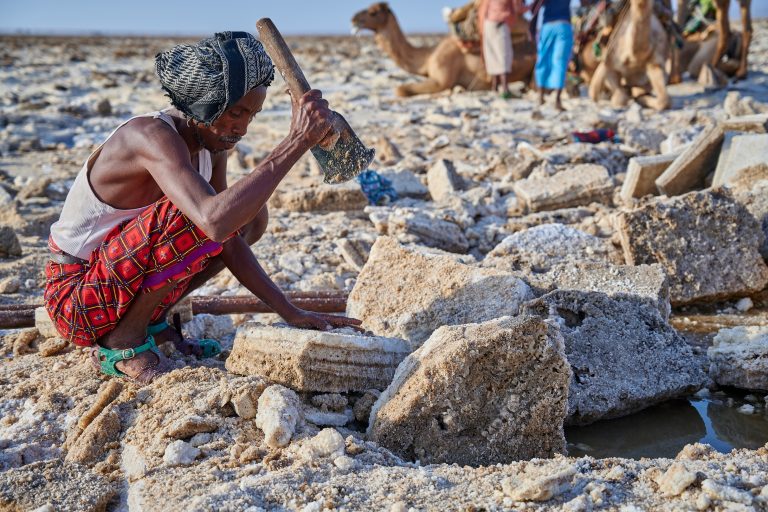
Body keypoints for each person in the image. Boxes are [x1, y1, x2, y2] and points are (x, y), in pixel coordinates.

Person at [44, 32, 362, 384]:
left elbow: (228, 236)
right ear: (203, 103)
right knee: (198, 213)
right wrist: (296, 141)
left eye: (251, 116)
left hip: (116, 287)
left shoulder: (212, 145)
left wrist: (288, 309)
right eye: (234, 113)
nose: (241, 128)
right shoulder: (150, 137)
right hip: (77, 300)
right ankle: (123, 338)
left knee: (249, 217)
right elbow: (212, 221)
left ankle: (150, 318)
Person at [531, 0, 574, 110]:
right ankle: (557, 100)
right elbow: (585, 2)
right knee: (560, 61)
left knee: (543, 59)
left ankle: (540, 95)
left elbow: (534, 9)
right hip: (563, 25)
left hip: (547, 26)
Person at [478, 0, 520, 98]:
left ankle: (495, 87)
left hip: (487, 25)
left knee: (492, 55)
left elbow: (482, 10)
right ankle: (505, 89)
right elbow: (517, 7)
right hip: (499, 25)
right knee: (504, 56)